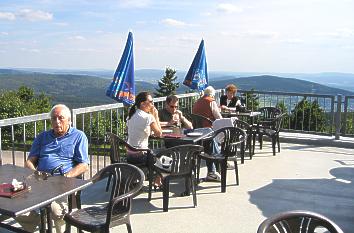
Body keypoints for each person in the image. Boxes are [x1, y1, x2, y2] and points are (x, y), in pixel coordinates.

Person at [17, 104, 89, 233]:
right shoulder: (42, 137)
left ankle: (50, 224)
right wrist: (34, 173)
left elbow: (84, 165)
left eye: (61, 118)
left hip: (63, 183)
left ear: (69, 120)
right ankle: (41, 223)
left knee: (56, 211)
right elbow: (29, 161)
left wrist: (65, 177)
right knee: (17, 208)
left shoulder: (78, 136)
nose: (57, 122)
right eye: (53, 118)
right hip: (40, 181)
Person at [192, 86, 222, 181]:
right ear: (212, 94)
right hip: (207, 130)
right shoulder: (211, 101)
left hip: (197, 131)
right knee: (218, 137)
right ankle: (219, 160)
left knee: (213, 142)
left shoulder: (197, 102)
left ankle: (215, 166)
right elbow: (218, 118)